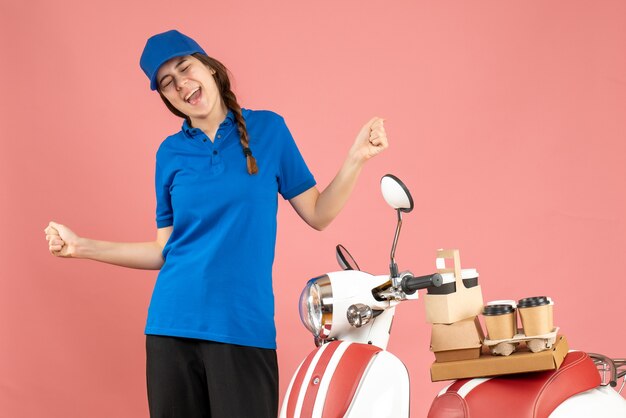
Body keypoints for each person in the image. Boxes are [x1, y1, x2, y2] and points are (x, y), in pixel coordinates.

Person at [44, 29, 388, 418]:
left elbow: (318, 213)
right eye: (167, 84)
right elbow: (163, 250)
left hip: (242, 327)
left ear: (208, 67)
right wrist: (80, 247)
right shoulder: (170, 154)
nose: (181, 85)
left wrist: (356, 158)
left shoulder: (269, 130)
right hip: (170, 328)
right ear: (167, 99)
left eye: (185, 68)